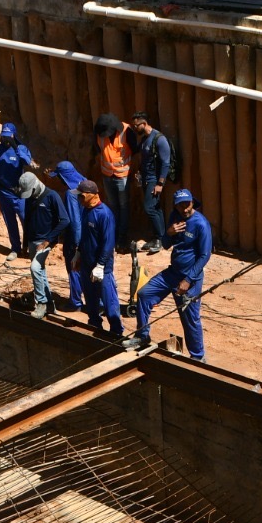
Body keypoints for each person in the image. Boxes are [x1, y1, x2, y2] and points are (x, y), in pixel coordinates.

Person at [124, 188, 211, 361]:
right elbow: (164, 244)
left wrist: (188, 279)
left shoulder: (201, 224)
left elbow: (204, 255)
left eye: (187, 205)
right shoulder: (174, 217)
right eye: (180, 206)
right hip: (172, 272)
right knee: (144, 295)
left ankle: (198, 356)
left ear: (193, 202)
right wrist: (169, 233)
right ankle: (143, 336)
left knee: (189, 317)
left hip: (190, 279)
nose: (184, 209)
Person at [73, 180, 123, 338]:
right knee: (90, 298)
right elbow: (85, 237)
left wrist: (101, 265)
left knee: (109, 300)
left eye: (81, 196)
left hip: (102, 267)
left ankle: (116, 331)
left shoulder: (104, 214)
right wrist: (78, 253)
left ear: (91, 195)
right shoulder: (86, 210)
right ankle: (95, 324)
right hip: (87, 264)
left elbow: (108, 244)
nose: (79, 199)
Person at [18, 170, 69, 319]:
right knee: (40, 272)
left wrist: (48, 240)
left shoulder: (52, 196)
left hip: (44, 243)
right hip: (32, 241)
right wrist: (25, 243)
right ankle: (50, 305)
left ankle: (41, 303)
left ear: (35, 186)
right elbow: (27, 220)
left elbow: (65, 220)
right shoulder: (30, 198)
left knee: (35, 268)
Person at [129, 112, 172, 253]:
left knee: (149, 208)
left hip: (154, 180)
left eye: (136, 125)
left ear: (144, 123)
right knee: (155, 208)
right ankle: (157, 237)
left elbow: (166, 163)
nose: (135, 128)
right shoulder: (145, 139)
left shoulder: (159, 139)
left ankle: (160, 240)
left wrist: (160, 184)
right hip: (146, 179)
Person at [0, 123, 33, 258]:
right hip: (3, 191)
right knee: (10, 221)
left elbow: (27, 161)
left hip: (20, 192)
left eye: (8, 137)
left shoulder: (21, 148)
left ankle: (31, 247)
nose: (5, 139)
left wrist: (15, 146)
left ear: (13, 135)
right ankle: (15, 248)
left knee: (26, 220)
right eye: (3, 137)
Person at [49, 160, 87, 312]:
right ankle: (97, 303)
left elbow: (74, 221)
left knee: (74, 268)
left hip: (76, 238)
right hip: (89, 234)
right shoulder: (85, 183)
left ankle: (75, 302)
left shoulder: (71, 194)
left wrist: (76, 243)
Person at [92, 113, 135, 248]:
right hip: (107, 175)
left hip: (123, 175)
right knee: (112, 205)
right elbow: (98, 150)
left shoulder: (127, 132)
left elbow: (135, 150)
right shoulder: (99, 133)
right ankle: (114, 233)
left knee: (123, 206)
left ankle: (122, 236)